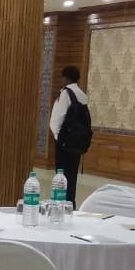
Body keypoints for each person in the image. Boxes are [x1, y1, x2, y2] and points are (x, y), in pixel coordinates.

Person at [49, 65, 90, 204]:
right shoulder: (82, 95)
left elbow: (57, 119)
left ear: (65, 78)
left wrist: (58, 137)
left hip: (64, 140)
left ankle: (60, 203)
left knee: (61, 176)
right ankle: (70, 203)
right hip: (77, 141)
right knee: (72, 175)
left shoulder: (66, 93)